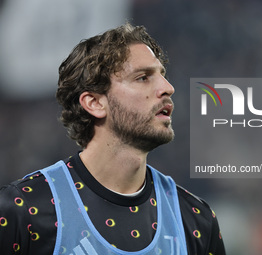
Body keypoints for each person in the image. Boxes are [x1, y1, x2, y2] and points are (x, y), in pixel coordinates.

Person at [0, 23, 226, 255]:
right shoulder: (23, 209)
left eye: (162, 75)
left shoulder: (197, 220)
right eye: (142, 78)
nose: (167, 88)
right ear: (95, 103)